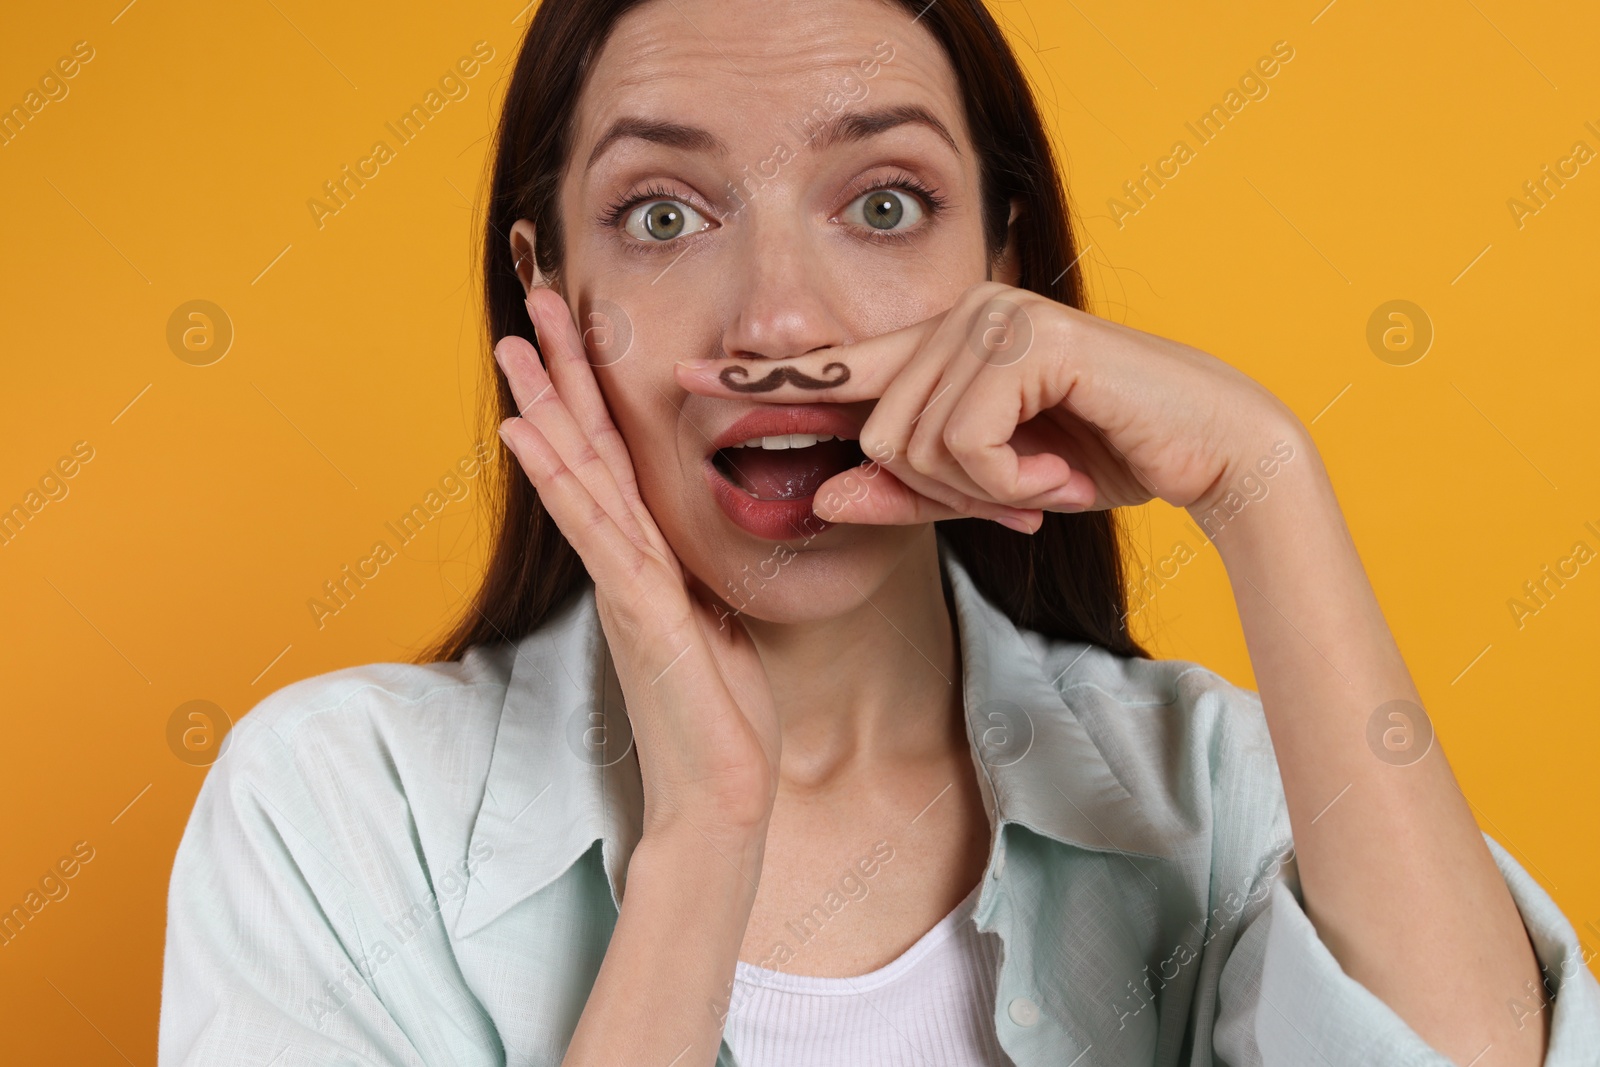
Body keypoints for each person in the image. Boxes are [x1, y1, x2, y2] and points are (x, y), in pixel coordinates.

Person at [158, 1, 1600, 1064]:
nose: (780, 322)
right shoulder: (338, 814)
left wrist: (1264, 481)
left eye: (887, 202)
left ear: (1005, 268)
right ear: (543, 285)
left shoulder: (1221, 795)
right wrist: (703, 847)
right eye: (661, 216)